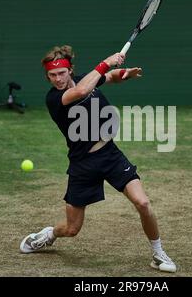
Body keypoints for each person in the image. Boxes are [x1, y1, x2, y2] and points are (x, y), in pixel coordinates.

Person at [19, 45, 176, 273]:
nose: (57, 79)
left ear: (70, 70)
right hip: (83, 164)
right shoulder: (55, 98)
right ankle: (49, 234)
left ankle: (158, 253)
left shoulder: (86, 79)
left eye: (61, 73)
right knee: (72, 229)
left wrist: (123, 74)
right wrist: (107, 62)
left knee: (143, 203)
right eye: (52, 75)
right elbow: (82, 91)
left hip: (110, 155)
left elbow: (108, 77)